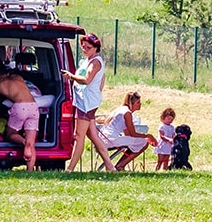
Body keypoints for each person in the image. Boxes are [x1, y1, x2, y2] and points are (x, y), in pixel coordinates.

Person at [0, 50, 40, 170]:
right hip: (34, 106)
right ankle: (30, 171)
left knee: (11, 134)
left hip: (20, 108)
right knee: (31, 142)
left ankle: (24, 143)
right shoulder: (18, 77)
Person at [63, 33, 110, 172]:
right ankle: (110, 166)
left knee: (79, 136)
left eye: (88, 48)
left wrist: (70, 76)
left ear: (96, 48)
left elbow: (87, 80)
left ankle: (70, 169)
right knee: (92, 135)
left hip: (87, 103)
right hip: (85, 101)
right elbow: (102, 80)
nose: (85, 50)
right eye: (83, 47)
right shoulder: (88, 60)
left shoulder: (95, 62)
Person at [102, 92, 157, 170]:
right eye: (138, 103)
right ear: (131, 103)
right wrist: (148, 136)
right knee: (143, 143)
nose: (140, 104)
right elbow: (132, 133)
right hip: (110, 140)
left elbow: (128, 134)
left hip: (105, 139)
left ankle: (119, 166)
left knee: (136, 142)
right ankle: (120, 166)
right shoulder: (127, 113)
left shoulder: (121, 109)